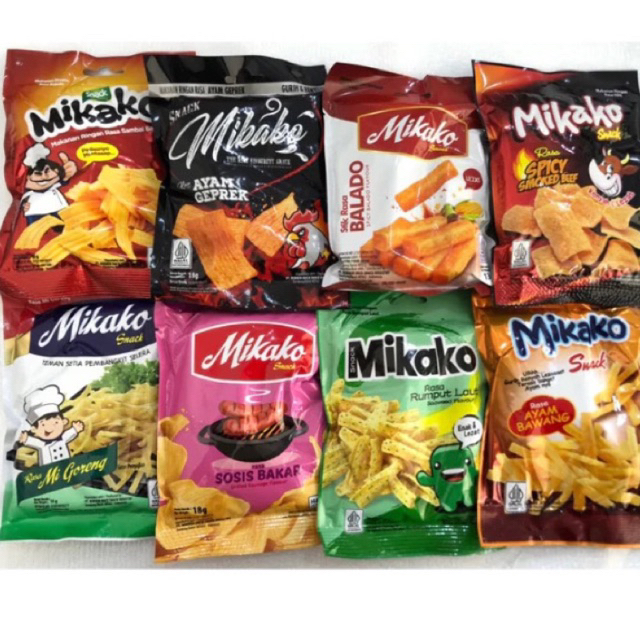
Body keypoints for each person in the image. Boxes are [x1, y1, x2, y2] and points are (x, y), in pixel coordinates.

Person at [18, 385, 85, 466]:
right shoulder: (42, 445)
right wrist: (26, 439)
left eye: (56, 422)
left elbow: (68, 435)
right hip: (48, 470)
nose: (50, 428)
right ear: (34, 429)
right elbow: (34, 442)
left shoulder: (62, 439)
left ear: (64, 421)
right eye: (43, 424)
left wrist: (75, 429)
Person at [20, 143, 78, 225]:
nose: (44, 176)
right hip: (35, 212)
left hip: (58, 209)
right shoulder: (30, 193)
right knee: (36, 230)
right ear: (28, 177)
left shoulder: (53, 185)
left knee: (68, 226)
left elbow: (63, 181)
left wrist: (66, 174)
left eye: (47, 171)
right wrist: (24, 205)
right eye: (38, 174)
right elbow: (23, 200)